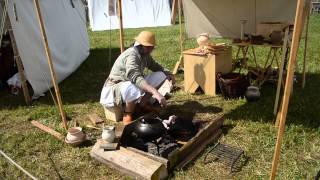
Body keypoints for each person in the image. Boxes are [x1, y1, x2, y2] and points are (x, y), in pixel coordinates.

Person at [100, 31, 175, 125]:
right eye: (148, 47)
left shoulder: (145, 54)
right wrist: (155, 92)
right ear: (140, 45)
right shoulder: (131, 55)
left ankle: (142, 104)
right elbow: (135, 78)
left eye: (151, 47)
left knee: (161, 75)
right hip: (113, 89)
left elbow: (155, 66)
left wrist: (169, 73)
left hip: (128, 85)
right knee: (133, 86)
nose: (150, 50)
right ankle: (127, 114)